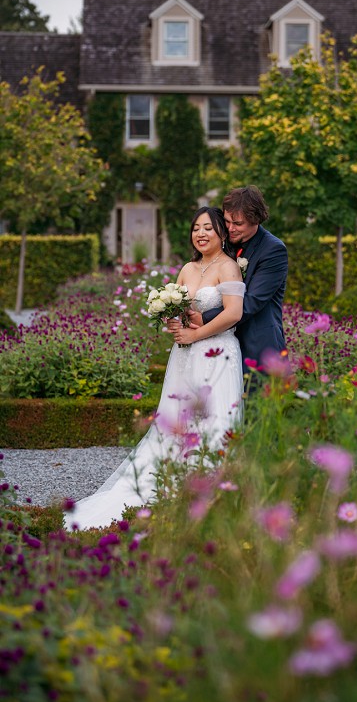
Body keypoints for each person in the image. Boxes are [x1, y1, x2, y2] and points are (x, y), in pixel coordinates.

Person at [65, 207, 245, 530]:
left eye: (208, 228)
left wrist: (194, 334)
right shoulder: (188, 268)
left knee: (213, 421)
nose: (201, 234)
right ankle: (169, 483)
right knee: (175, 422)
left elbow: (233, 314)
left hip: (218, 354)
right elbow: (175, 307)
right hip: (184, 356)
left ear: (221, 233)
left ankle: (210, 492)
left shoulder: (229, 267)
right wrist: (173, 324)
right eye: (196, 228)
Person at [192, 185, 288, 374]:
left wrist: (204, 318)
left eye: (238, 223)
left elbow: (251, 302)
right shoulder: (224, 243)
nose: (230, 228)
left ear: (256, 220)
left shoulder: (273, 250)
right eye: (227, 221)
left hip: (258, 348)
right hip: (218, 345)